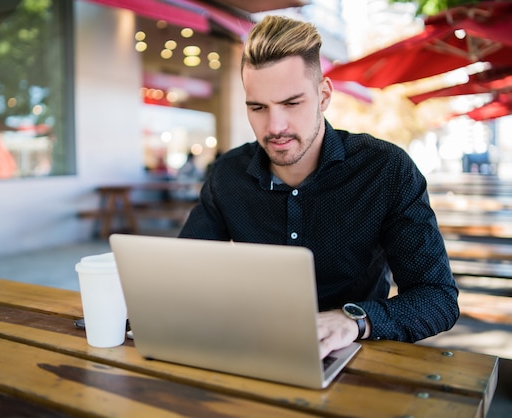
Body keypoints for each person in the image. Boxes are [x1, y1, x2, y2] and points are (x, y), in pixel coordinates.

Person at [178, 15, 459, 359]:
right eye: (258, 107)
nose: (275, 126)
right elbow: (185, 272)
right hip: (254, 351)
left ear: (324, 95)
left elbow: (437, 297)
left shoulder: (386, 170)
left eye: (291, 103)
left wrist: (354, 320)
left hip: (356, 361)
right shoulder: (227, 174)